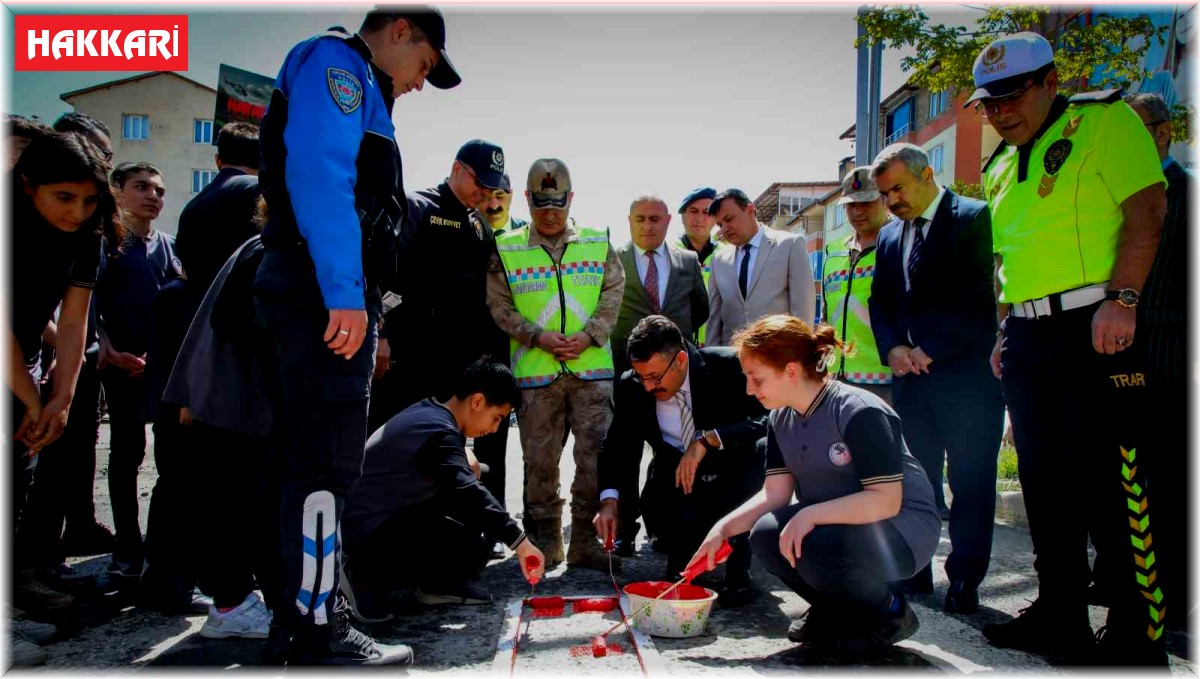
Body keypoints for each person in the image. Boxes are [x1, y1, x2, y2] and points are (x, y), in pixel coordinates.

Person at [252, 5, 460, 666]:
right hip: (320, 290)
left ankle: (294, 623)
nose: (420, 82)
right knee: (326, 468)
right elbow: (322, 174)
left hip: (314, 286)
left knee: (301, 462)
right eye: (424, 64)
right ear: (400, 29)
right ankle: (320, 629)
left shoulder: (360, 83)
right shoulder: (340, 65)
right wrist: (345, 292)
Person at [968, 33, 1169, 665]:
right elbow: (1008, 257)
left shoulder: (1104, 121)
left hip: (1097, 324)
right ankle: (1061, 613)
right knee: (1044, 482)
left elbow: (1147, 208)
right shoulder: (998, 165)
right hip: (1029, 336)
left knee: (1113, 482)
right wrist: (1005, 328)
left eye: (1013, 95)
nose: (1001, 111)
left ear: (1051, 82)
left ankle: (1138, 634)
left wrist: (1124, 299)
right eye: (989, 102)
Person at [692, 315, 940, 656]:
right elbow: (775, 494)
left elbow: (885, 500)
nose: (749, 389)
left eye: (756, 378)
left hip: (900, 530)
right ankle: (833, 609)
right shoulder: (781, 418)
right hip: (840, 526)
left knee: (813, 545)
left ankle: (889, 613)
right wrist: (722, 529)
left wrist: (808, 516)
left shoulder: (858, 410)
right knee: (765, 535)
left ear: (791, 371)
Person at [141, 121, 272, 626]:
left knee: (181, 477)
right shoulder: (255, 199)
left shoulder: (197, 205)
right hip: (230, 357)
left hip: (189, 351)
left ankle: (166, 576)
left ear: (218, 159)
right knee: (227, 484)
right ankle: (224, 588)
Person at [868, 143, 1005, 612]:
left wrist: (932, 348)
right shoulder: (890, 235)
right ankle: (915, 570)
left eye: (898, 189)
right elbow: (881, 301)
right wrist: (893, 348)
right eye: (885, 194)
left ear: (927, 174)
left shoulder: (974, 217)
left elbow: (980, 298)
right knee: (916, 481)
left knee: (970, 481)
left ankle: (965, 578)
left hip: (967, 379)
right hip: (912, 380)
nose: (892, 201)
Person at [369, 138, 512, 560]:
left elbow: (481, 300)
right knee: (400, 453)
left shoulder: (478, 227)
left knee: (448, 458)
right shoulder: (416, 207)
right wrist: (380, 332)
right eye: (480, 184)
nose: (485, 195)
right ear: (457, 169)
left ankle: (448, 545)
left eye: (492, 189)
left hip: (453, 369)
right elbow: (378, 273)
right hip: (405, 363)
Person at [487, 157, 625, 572]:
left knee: (595, 460)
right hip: (536, 373)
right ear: (527, 200)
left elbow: (613, 290)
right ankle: (547, 541)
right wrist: (536, 336)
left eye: (558, 204)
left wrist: (591, 334)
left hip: (591, 371)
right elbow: (498, 304)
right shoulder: (507, 247)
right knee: (540, 463)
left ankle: (585, 541)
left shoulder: (597, 241)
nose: (550, 214)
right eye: (541, 204)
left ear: (571, 199)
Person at [6, 132, 119, 626]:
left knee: (17, 483)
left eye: (90, 200)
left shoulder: (88, 236)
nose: (77, 212)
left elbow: (74, 322)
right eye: (64, 197)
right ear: (28, 185)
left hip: (27, 367)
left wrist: (63, 397)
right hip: (13, 368)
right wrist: (33, 400)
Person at [341, 361, 544, 622]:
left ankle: (434, 585)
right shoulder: (438, 433)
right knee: (469, 531)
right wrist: (520, 543)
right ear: (477, 401)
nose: (494, 429)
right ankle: (363, 577)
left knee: (477, 515)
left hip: (383, 515)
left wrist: (463, 451)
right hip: (364, 531)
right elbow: (467, 491)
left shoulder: (433, 414)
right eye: (497, 418)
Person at [595, 315, 766, 604]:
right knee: (675, 558)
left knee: (760, 452)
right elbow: (617, 447)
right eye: (641, 377)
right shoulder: (632, 385)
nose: (648, 387)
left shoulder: (729, 366)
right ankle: (682, 551)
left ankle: (739, 569)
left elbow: (771, 420)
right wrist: (609, 502)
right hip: (677, 480)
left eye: (655, 377)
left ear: (681, 360)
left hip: (734, 473)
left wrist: (711, 439)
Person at [1121, 92, 1191, 625]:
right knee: (1124, 477)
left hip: (1169, 359)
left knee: (1169, 481)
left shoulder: (1188, 193)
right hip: (1115, 357)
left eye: (1133, 130)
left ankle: (1175, 596)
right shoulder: (1115, 192)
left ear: (1162, 133)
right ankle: (1126, 582)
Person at [96, 162, 180, 582]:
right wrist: (107, 348)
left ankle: (163, 549)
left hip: (163, 372)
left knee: (171, 460)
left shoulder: (170, 249)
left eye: (159, 190)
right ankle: (127, 545)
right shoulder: (106, 246)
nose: (153, 196)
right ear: (118, 192)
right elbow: (87, 306)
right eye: (142, 187)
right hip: (121, 368)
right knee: (127, 453)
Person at [822, 167, 897, 404]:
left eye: (866, 203)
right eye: (851, 204)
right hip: (836, 378)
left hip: (886, 379)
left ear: (884, 200)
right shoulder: (833, 252)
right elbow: (826, 315)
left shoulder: (900, 245)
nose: (857, 211)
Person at [612, 196, 708, 377]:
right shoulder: (612, 260)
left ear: (668, 220)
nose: (647, 226)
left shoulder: (688, 261)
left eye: (654, 219)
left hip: (678, 369)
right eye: (640, 219)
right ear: (630, 220)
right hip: (628, 369)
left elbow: (701, 311)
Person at [705, 189, 815, 346]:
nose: (725, 228)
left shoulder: (790, 245)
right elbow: (714, 317)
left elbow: (803, 311)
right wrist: (711, 354)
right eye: (720, 224)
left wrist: (800, 354)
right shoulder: (718, 259)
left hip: (777, 353)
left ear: (750, 210)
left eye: (729, 219)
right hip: (730, 355)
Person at [672, 186, 718, 346]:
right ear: (682, 215)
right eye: (693, 211)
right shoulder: (668, 254)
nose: (699, 218)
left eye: (706, 212)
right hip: (678, 347)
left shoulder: (727, 256)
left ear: (715, 218)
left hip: (716, 347)